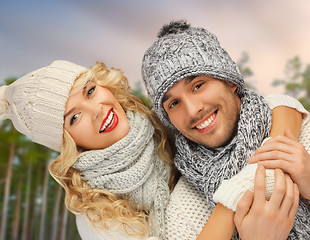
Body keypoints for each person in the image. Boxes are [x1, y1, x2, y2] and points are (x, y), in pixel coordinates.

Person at [0, 60, 304, 240]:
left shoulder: (164, 123)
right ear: (65, 142)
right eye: (74, 117)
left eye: (90, 91)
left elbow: (269, 106)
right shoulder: (99, 219)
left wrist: (258, 171)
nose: (97, 110)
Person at [141, 20, 310, 239]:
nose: (193, 110)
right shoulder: (183, 211)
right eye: (174, 104)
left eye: (198, 85)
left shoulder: (302, 137)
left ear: (230, 81)